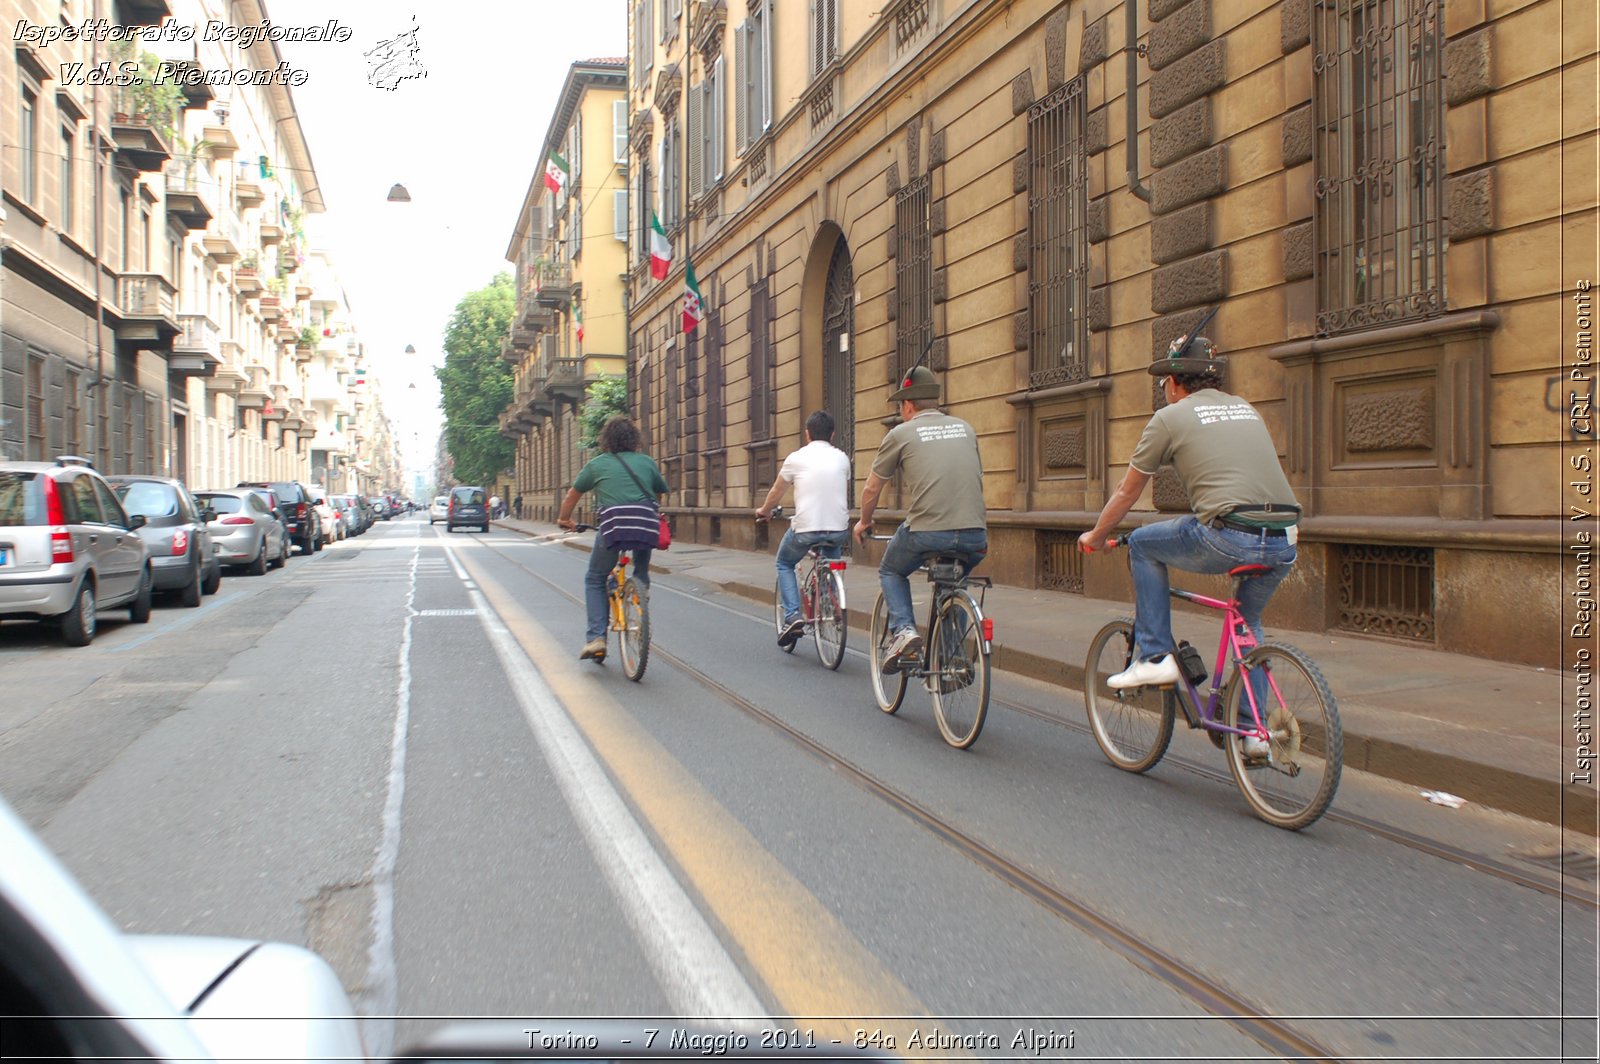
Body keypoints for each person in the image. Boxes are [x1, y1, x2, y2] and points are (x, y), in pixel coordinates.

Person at [1077, 335, 1300, 754]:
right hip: (1285, 537)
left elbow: (1127, 493)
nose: (1165, 390)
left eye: (1165, 382)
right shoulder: (1245, 408)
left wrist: (1097, 536)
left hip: (1230, 534)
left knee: (1143, 544)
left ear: (1176, 383)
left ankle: (1155, 656)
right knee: (1247, 624)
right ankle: (1254, 734)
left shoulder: (1170, 418)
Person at [853, 365, 988, 666]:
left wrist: (864, 521)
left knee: (891, 570)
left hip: (928, 532)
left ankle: (904, 632)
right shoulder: (966, 428)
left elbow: (872, 489)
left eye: (901, 406)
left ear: (909, 405)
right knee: (954, 584)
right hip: (975, 535)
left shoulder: (901, 433)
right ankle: (952, 662)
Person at [557, 416, 670, 660]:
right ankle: (641, 582)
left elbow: (572, 496)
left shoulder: (597, 465)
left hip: (613, 526)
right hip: (645, 522)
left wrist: (564, 519)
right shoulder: (646, 462)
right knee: (642, 542)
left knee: (595, 577)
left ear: (606, 441)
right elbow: (659, 493)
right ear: (634, 439)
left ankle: (596, 638)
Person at [755, 410, 852, 648]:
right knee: (830, 559)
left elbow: (776, 492)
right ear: (833, 435)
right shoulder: (842, 458)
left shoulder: (796, 458)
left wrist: (765, 511)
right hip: (838, 529)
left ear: (807, 434)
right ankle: (830, 603)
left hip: (806, 528)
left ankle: (792, 616)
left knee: (784, 563)